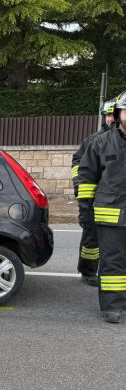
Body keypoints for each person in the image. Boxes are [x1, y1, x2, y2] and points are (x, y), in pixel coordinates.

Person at [77, 91, 126, 324]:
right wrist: (85, 211)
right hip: (110, 216)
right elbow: (86, 180)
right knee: (112, 262)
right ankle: (112, 306)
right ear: (118, 114)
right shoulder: (100, 143)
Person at [71, 99, 115, 286]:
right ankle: (88, 271)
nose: (110, 118)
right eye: (108, 115)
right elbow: (77, 163)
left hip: (117, 200)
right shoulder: (95, 140)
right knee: (92, 237)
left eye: (113, 114)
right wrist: (78, 185)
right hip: (97, 199)